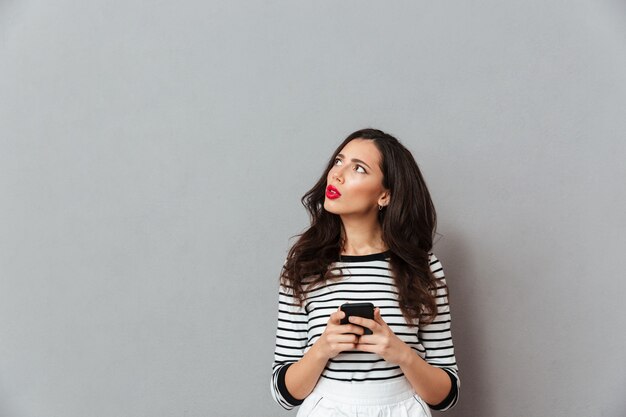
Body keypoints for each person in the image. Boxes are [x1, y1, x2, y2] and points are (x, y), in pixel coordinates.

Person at [270, 128, 460, 417]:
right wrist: (323, 348)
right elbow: (283, 393)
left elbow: (446, 395)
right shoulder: (303, 265)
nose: (337, 175)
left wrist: (401, 353)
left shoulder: (422, 267)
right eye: (338, 161)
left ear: (384, 195)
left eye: (358, 168)